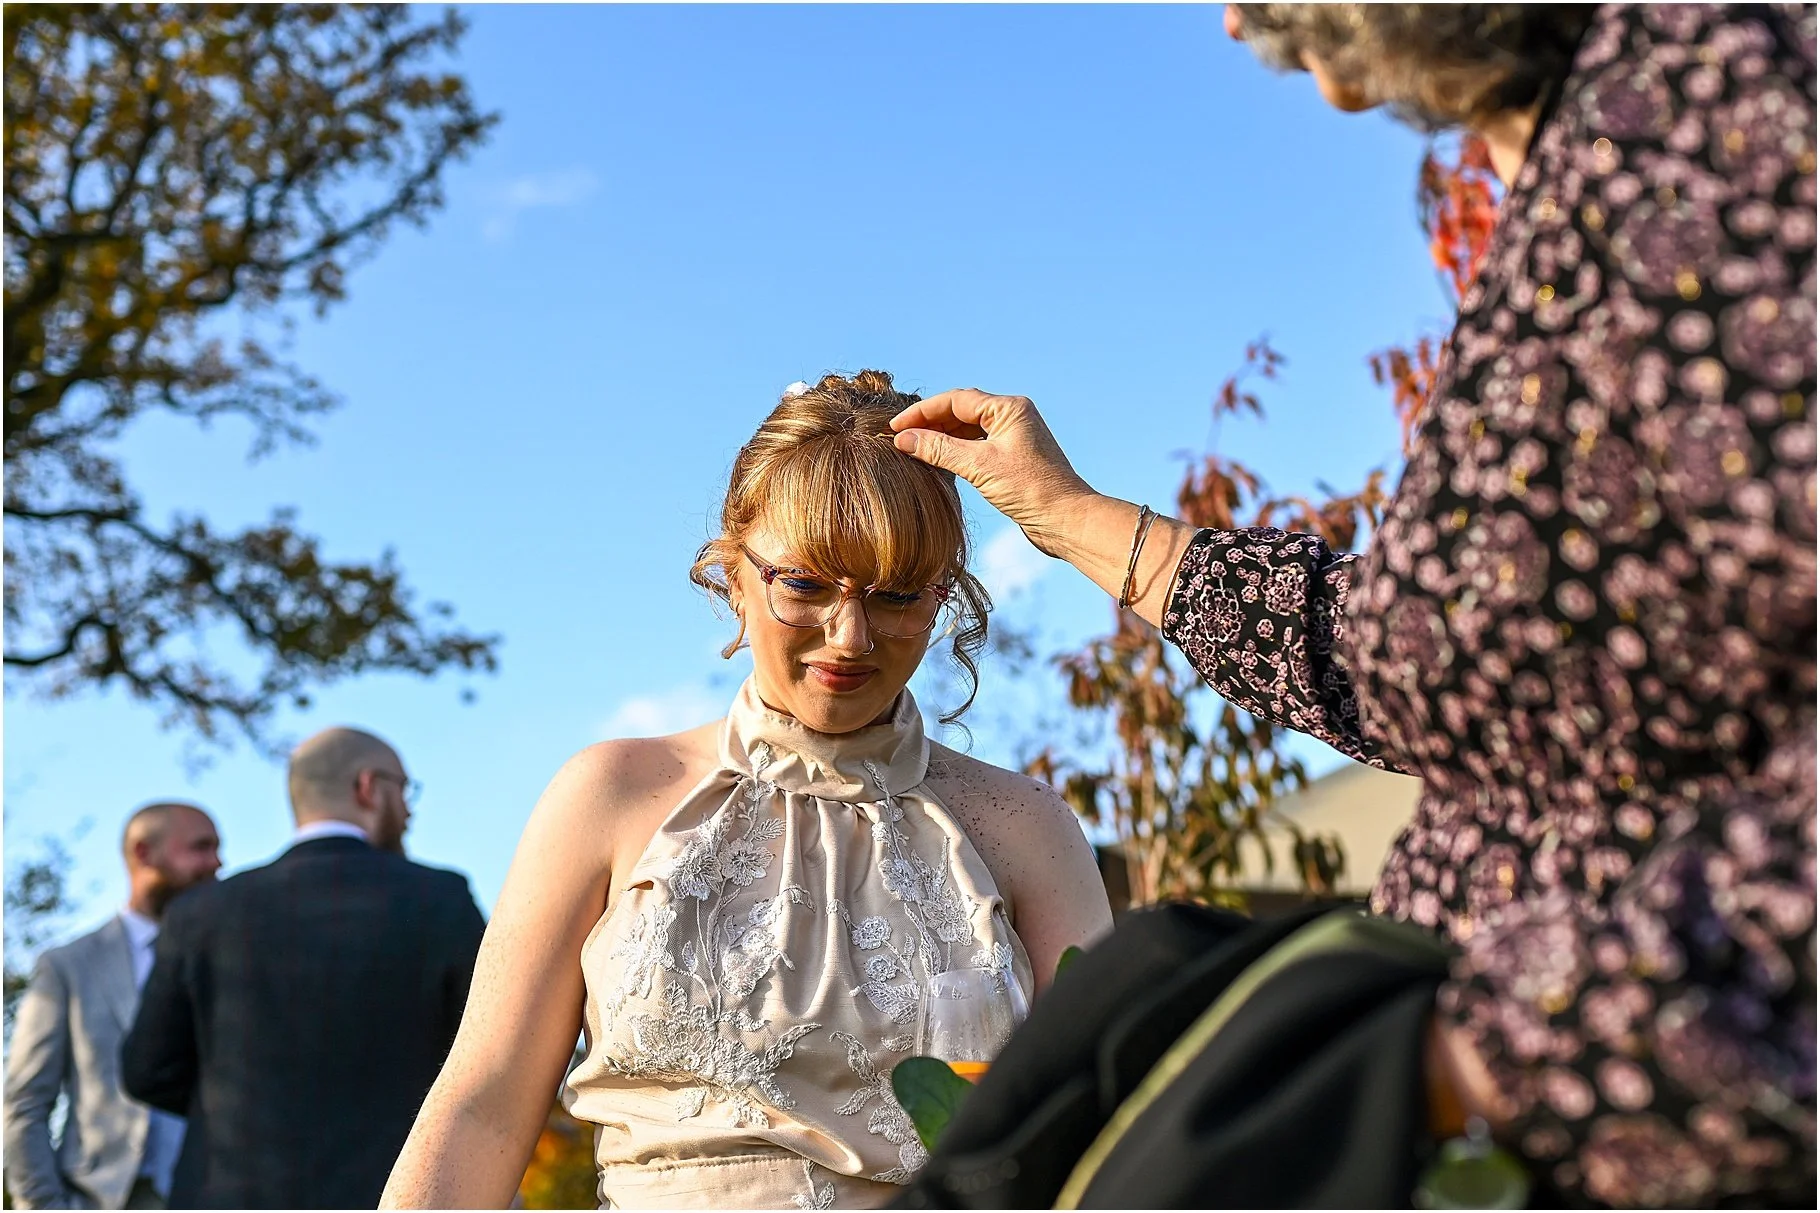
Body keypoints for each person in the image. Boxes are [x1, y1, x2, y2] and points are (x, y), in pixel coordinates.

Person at [889, 3, 1815, 1205]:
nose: (1232, 21)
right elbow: (1450, 662)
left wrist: (1452, 1065)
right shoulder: (1595, 138)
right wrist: (1068, 517)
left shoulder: (1739, 106)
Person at [381, 371, 1112, 1210]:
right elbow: (483, 1107)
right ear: (734, 572)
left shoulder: (1024, 826)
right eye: (803, 584)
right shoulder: (610, 796)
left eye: (899, 595)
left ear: (944, 595)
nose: (850, 635)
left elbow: (1103, 1126)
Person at [120, 728, 485, 1208]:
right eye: (404, 788)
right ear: (368, 787)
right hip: (399, 1191)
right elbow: (490, 1053)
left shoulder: (201, 913)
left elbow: (148, 1070)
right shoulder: (441, 899)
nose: (410, 808)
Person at [3, 803, 222, 1210]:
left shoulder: (229, 963)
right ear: (143, 853)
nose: (217, 862)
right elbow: (26, 1104)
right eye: (201, 847)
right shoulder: (67, 966)